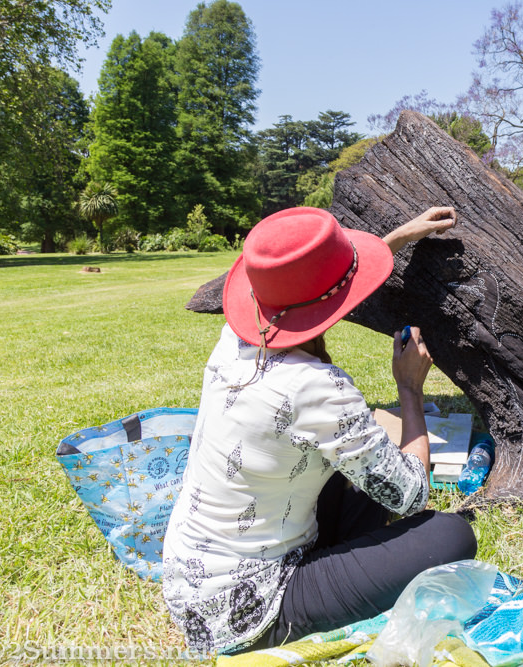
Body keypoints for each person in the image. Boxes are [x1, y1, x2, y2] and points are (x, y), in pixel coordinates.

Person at [162, 206, 478, 656]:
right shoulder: (317, 387)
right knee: (450, 536)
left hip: (192, 584)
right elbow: (412, 495)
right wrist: (409, 389)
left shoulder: (234, 339)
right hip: (252, 609)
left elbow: (303, 296)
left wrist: (396, 240)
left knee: (364, 463)